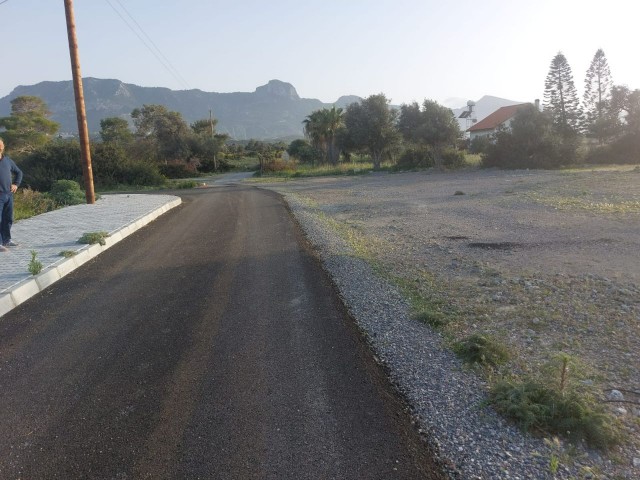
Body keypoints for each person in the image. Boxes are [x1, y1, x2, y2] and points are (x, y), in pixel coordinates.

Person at [0, 137, 23, 252]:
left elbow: (19, 172)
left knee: (8, 219)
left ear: (3, 146)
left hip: (8, 195)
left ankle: (6, 240)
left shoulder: (7, 160)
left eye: (1, 143)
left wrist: (16, 184)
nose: (0, 145)